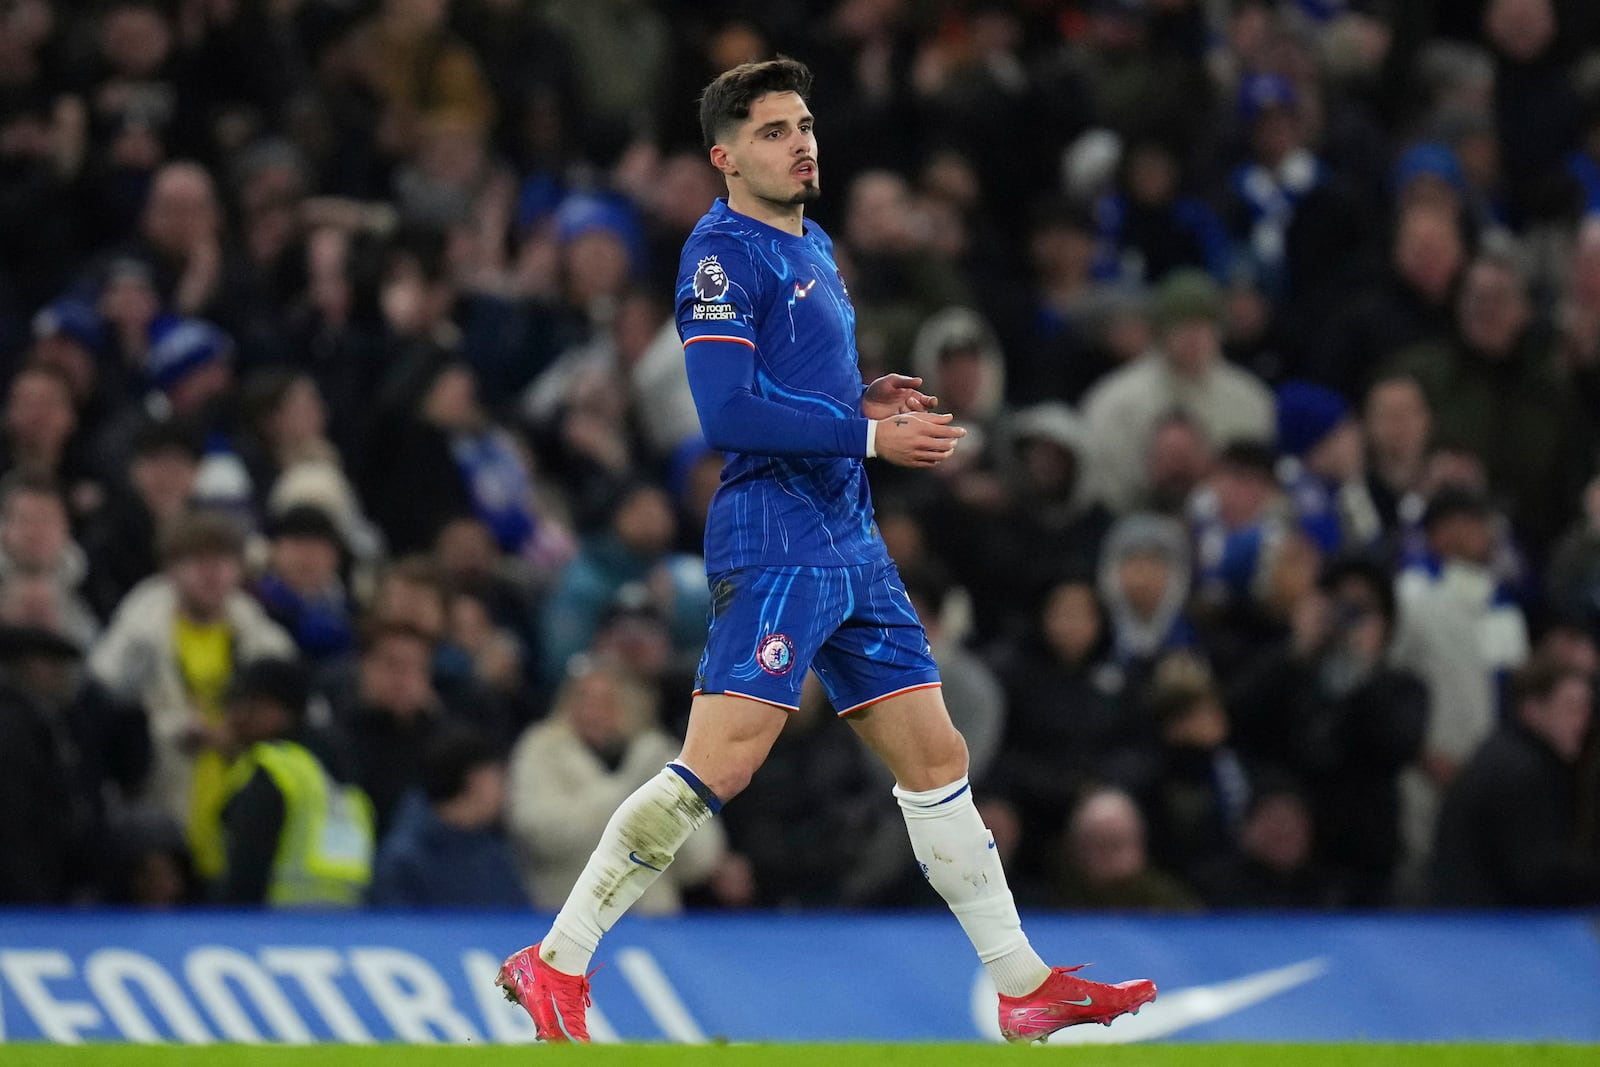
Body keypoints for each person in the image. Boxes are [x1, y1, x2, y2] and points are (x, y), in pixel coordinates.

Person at [494, 57, 1156, 1045]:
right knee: (720, 760)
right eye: (771, 130)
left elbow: (797, 395)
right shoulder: (719, 255)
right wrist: (870, 436)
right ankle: (554, 961)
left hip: (849, 535)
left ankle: (1022, 982)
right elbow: (727, 410)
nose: (800, 142)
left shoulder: (815, 244)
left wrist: (861, 403)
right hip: (776, 535)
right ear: (723, 155)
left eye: (804, 124)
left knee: (937, 756)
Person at [214, 658, 375, 907]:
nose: (234, 718)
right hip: (345, 930)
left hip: (273, 930)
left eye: (244, 705)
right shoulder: (340, 773)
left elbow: (245, 874)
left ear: (273, 710)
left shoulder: (273, 769)